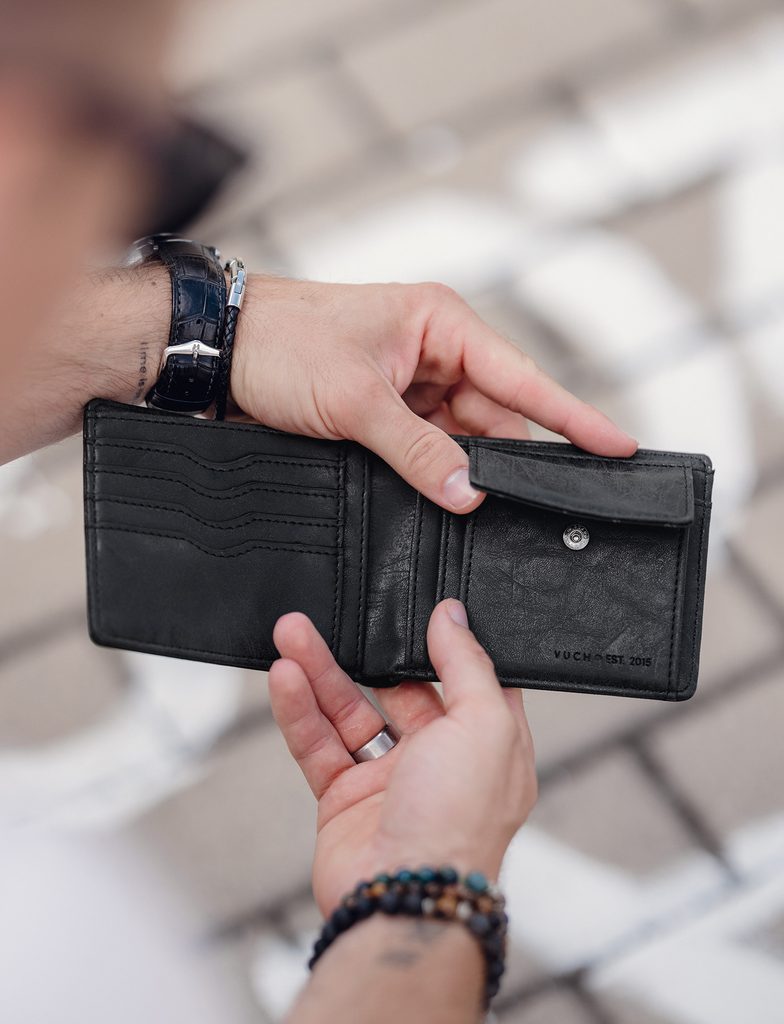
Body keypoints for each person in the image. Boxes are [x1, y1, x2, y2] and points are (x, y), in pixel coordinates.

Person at [0, 1, 637, 1019]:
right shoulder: (52, 936)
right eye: (165, 161)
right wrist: (429, 888)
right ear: (28, 148)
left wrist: (211, 330)